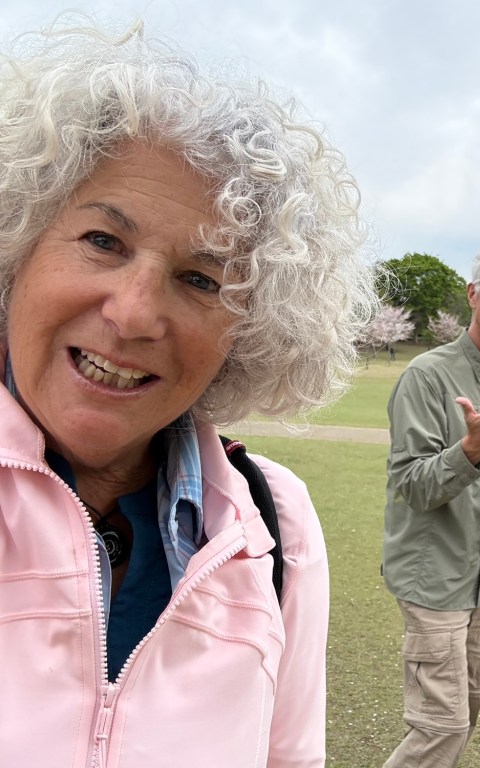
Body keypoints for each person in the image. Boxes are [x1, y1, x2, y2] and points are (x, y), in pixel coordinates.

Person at [0, 18, 379, 767]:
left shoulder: (277, 527)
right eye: (103, 241)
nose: (135, 314)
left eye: (202, 279)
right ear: (19, 244)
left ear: (251, 329)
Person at [382, 241, 480, 767]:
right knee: (442, 727)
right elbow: (413, 485)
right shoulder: (427, 375)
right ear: (473, 293)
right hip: (434, 578)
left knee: (467, 714)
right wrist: (471, 448)